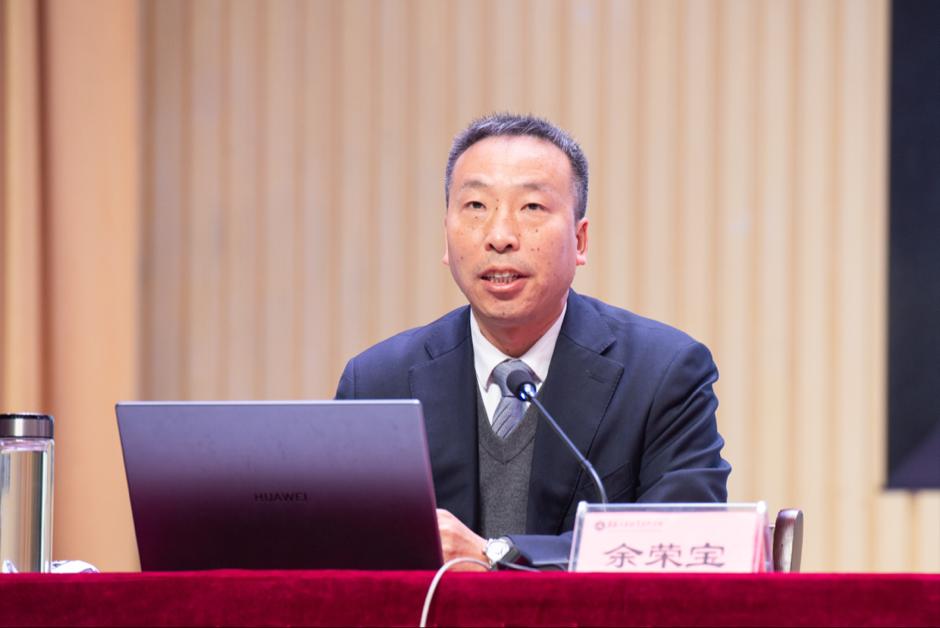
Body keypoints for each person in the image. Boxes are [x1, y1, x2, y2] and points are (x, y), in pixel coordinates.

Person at [335, 113, 731, 568]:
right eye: (476, 206)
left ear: (580, 241)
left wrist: (494, 556)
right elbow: (340, 548)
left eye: (532, 208)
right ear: (446, 238)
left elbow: (687, 541)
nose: (500, 236)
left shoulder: (662, 374)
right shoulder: (377, 383)